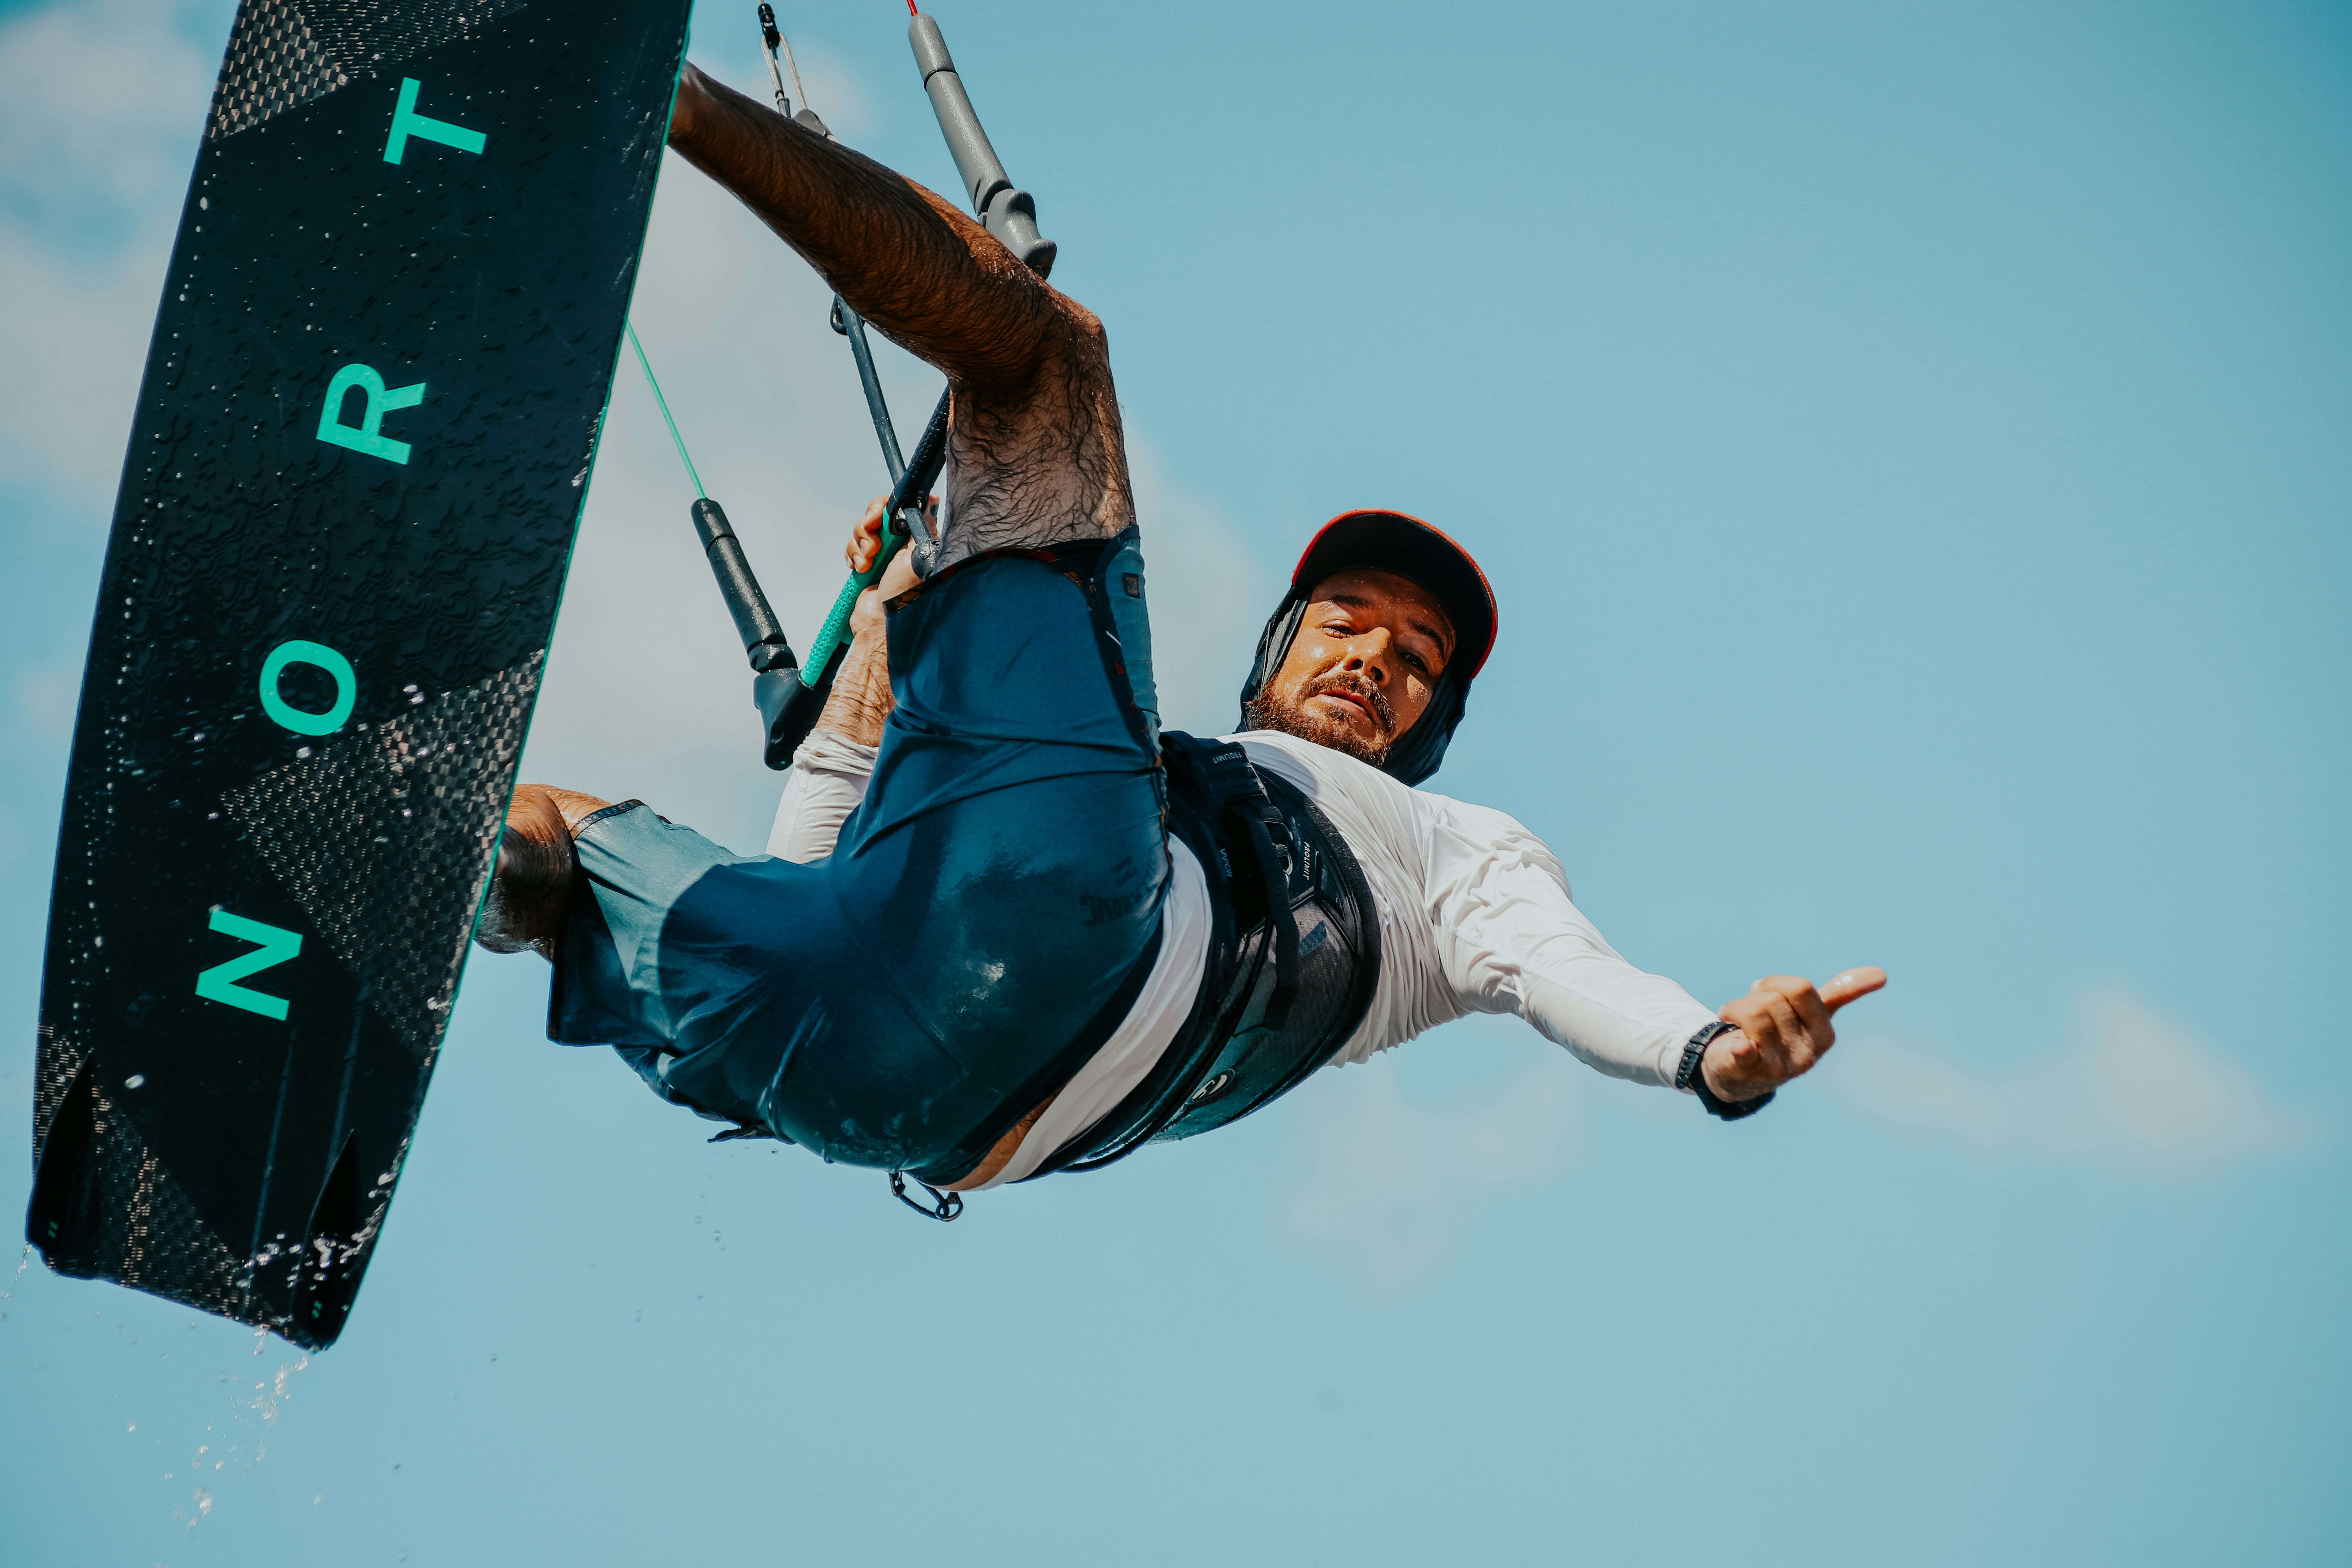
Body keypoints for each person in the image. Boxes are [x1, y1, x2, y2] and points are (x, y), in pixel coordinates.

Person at [478, 63, 1885, 1205]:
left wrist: (1710, 1051)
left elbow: (1572, 978)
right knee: (557, 839)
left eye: (1416, 664)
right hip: (859, 1088)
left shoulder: (1459, 862)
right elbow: (818, 871)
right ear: (1277, 645)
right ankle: (454, 867)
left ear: (1432, 729)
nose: (1375, 659)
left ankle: (661, 91)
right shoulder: (1117, 770)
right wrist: (890, 627)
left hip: (1083, 951)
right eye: (1348, 621)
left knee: (1050, 362)